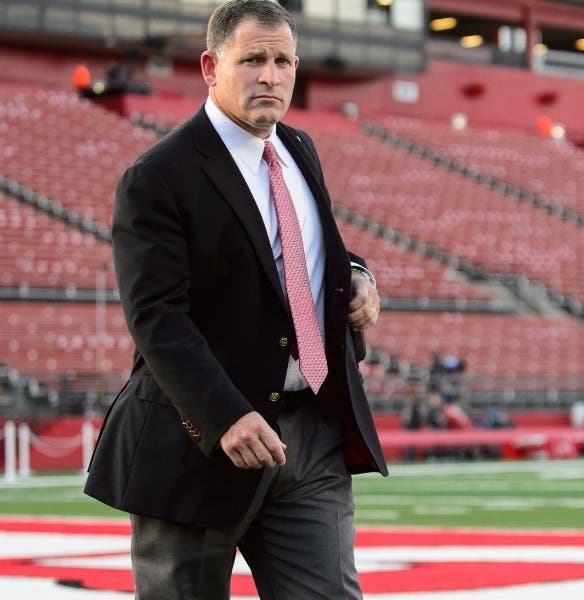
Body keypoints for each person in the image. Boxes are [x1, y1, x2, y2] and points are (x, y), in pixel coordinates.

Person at [83, 1, 387, 598]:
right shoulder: (159, 176)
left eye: (281, 61)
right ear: (209, 66)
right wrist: (224, 415)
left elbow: (309, 248)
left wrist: (358, 273)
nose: (269, 75)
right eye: (252, 60)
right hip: (197, 441)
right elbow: (156, 318)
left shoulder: (298, 147)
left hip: (310, 436)